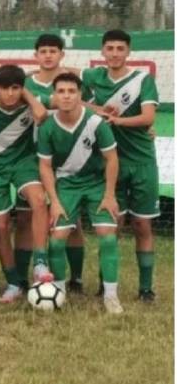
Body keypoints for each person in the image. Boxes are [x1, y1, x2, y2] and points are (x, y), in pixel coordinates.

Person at [82, 30, 160, 302]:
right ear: (102, 51)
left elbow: (148, 118)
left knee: (142, 225)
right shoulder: (92, 77)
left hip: (141, 163)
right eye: (110, 48)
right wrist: (98, 111)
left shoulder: (142, 80)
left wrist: (117, 121)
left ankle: (146, 289)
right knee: (111, 226)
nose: (114, 53)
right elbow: (70, 95)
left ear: (128, 51)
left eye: (120, 48)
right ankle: (106, 286)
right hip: (109, 164)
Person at [37, 72, 123, 314]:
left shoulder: (95, 123)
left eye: (71, 91)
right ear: (54, 96)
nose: (66, 96)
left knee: (108, 236)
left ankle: (111, 296)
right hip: (66, 185)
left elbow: (112, 158)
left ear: (80, 95)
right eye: (61, 91)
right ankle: (58, 292)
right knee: (57, 239)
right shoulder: (47, 127)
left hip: (96, 184)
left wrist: (109, 195)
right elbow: (45, 166)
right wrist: (54, 201)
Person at [0, 65, 52, 303]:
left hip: (22, 162)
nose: (10, 94)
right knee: (0, 225)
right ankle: (13, 282)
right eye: (4, 88)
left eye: (15, 88)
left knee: (39, 200)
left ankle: (40, 263)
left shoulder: (29, 102)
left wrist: (27, 94)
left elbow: (45, 112)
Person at [23, 33, 85, 291]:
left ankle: (76, 279)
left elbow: (87, 108)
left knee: (72, 221)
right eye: (43, 51)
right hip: (32, 156)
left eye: (53, 51)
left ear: (62, 54)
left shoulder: (71, 82)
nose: (48, 55)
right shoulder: (25, 83)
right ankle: (26, 276)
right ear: (35, 55)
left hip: (68, 159)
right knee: (27, 216)